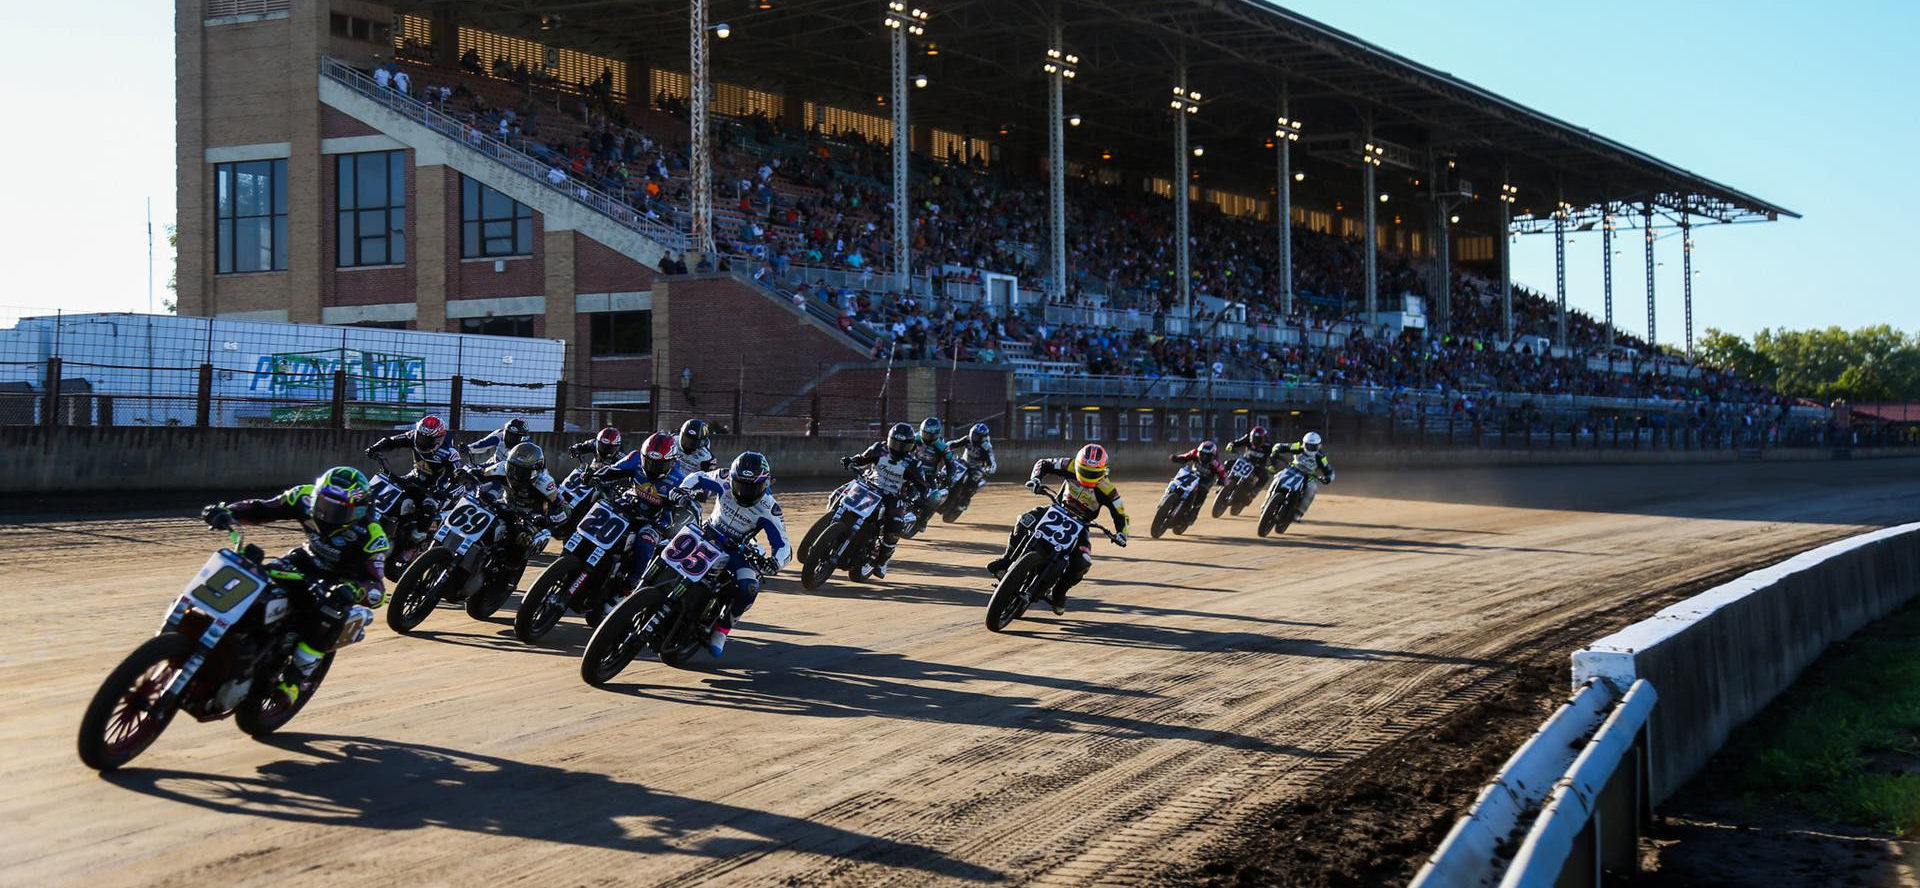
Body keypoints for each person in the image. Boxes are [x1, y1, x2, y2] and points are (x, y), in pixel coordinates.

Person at [200, 467, 390, 707]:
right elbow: (263, 508)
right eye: (323, 503)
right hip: (304, 559)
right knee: (256, 575)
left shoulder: (373, 536)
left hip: (338, 581)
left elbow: (377, 589)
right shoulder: (303, 497)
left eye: (336, 510)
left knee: (328, 613)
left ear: (358, 509)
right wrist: (228, 511)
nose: (325, 513)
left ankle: (295, 680)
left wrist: (354, 591)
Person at [988, 444, 1130, 615]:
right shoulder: (1068, 465)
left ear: (1104, 472)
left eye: (1093, 474)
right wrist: (1036, 479)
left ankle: (1059, 592)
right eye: (1084, 471)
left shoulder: (1109, 491)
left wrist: (1122, 533)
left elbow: (1121, 515)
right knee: (1025, 520)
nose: (1087, 476)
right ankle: (1007, 559)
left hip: (1081, 525)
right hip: (1056, 510)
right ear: (1077, 465)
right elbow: (1043, 463)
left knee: (1082, 562)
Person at [676, 452, 792, 657]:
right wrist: (683, 491)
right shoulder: (723, 478)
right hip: (706, 532)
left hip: (736, 550)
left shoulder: (769, 507)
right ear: (732, 478)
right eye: (740, 485)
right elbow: (697, 477)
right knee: (663, 543)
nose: (744, 492)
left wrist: (775, 562)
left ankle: (722, 630)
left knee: (749, 588)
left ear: (765, 485)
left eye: (752, 488)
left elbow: (784, 546)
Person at [842, 422, 930, 579]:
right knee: (842, 493)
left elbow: (923, 487)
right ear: (889, 440)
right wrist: (851, 460)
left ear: (910, 447)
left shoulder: (914, 464)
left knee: (895, 524)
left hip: (893, 496)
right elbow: (862, 458)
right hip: (870, 486)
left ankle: (882, 561)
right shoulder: (879, 449)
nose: (897, 448)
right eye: (895, 443)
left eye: (902, 446)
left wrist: (920, 497)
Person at [364, 415, 461, 486]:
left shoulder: (450, 454)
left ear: (438, 439)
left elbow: (455, 480)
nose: (422, 442)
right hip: (414, 477)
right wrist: (375, 448)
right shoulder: (412, 436)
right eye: (420, 437)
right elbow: (391, 441)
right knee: (386, 485)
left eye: (427, 440)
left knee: (426, 508)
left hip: (434, 490)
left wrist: (440, 491)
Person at [1274, 431, 1335, 518]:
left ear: (1319, 446)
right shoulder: (1297, 447)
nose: (1311, 448)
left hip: (1309, 475)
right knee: (1277, 477)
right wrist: (1275, 451)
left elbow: (1330, 471)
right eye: (1309, 445)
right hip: (1293, 468)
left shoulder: (1321, 457)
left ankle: (1299, 512)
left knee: (1312, 488)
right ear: (1304, 443)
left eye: (1314, 446)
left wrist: (1328, 478)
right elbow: (1279, 446)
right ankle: (1268, 501)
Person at [908, 416, 958, 519]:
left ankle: (923, 519)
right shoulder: (915, 438)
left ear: (936, 434)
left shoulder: (943, 447)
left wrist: (949, 477)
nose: (926, 437)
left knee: (935, 497)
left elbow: (951, 464)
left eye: (929, 435)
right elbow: (905, 451)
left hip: (929, 475)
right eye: (925, 433)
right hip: (912, 470)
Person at [1222, 424, 1282, 491]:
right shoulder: (1247, 438)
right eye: (1254, 439)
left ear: (1264, 438)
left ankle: (1255, 491)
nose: (1256, 441)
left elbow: (1273, 456)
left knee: (1265, 477)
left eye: (1258, 439)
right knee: (1227, 463)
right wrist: (1231, 445)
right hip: (1244, 461)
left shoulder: (1269, 445)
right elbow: (1236, 442)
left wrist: (1273, 465)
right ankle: (1223, 480)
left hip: (1258, 466)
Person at [466, 417, 530, 467]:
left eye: (515, 436)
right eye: (508, 434)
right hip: (493, 465)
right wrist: (468, 448)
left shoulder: (527, 446)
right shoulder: (500, 434)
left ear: (523, 437)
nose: (511, 438)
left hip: (512, 472)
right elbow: (483, 443)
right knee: (468, 470)